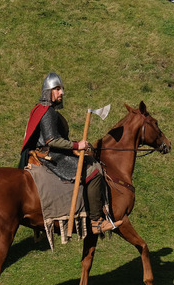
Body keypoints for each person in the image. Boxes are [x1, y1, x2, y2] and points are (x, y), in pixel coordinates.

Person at [19, 72, 111, 232]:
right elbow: (52, 141)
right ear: (48, 91)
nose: (61, 92)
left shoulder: (42, 109)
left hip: (54, 152)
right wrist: (76, 145)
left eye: (61, 89)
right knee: (93, 171)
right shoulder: (47, 112)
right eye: (57, 89)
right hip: (53, 156)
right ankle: (96, 221)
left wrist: (77, 146)